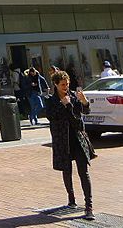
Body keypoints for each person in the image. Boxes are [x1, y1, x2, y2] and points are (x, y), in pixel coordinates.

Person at [45, 70, 96, 220]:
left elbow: (82, 115)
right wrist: (64, 105)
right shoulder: (51, 100)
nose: (66, 87)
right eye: (62, 85)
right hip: (62, 140)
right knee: (66, 171)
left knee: (83, 172)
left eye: (67, 84)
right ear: (55, 84)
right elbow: (52, 117)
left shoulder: (74, 96)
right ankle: (71, 199)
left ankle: (89, 206)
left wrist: (85, 102)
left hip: (77, 139)